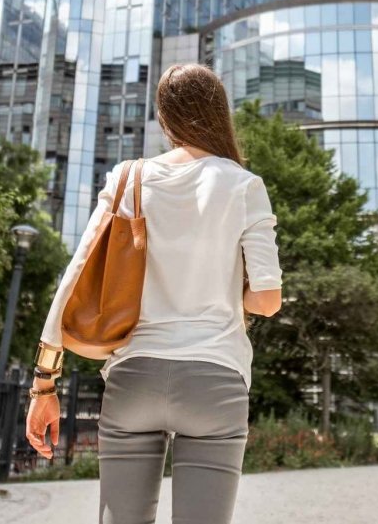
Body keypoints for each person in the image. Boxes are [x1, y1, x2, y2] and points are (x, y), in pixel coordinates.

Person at [25, 63, 283, 524]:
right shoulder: (244, 184)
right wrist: (229, 286)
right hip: (215, 379)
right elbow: (267, 300)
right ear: (219, 112)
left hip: (134, 377)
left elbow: (75, 274)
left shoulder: (129, 177)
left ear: (165, 119)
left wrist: (44, 384)